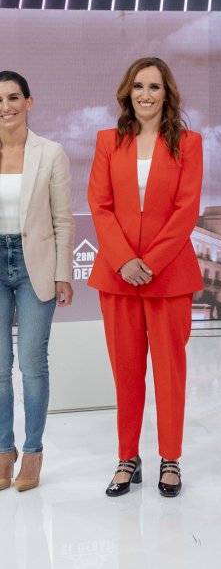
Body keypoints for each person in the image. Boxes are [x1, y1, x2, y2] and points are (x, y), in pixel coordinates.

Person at [88, 57, 203, 498]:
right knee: (127, 372)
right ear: (127, 92)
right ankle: (127, 458)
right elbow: (99, 205)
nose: (146, 94)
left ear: (166, 93)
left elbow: (186, 210)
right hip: (118, 276)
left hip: (168, 276)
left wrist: (150, 262)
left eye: (154, 87)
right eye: (138, 86)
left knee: (170, 373)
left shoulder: (188, 144)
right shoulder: (108, 141)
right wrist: (123, 260)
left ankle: (170, 458)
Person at [0, 71, 74, 492]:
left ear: (29, 102)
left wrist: (64, 273)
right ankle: (2, 450)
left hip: (36, 266)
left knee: (31, 364)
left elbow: (63, 219)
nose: (5, 107)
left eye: (13, 97)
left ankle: (32, 452)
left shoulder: (50, 152)